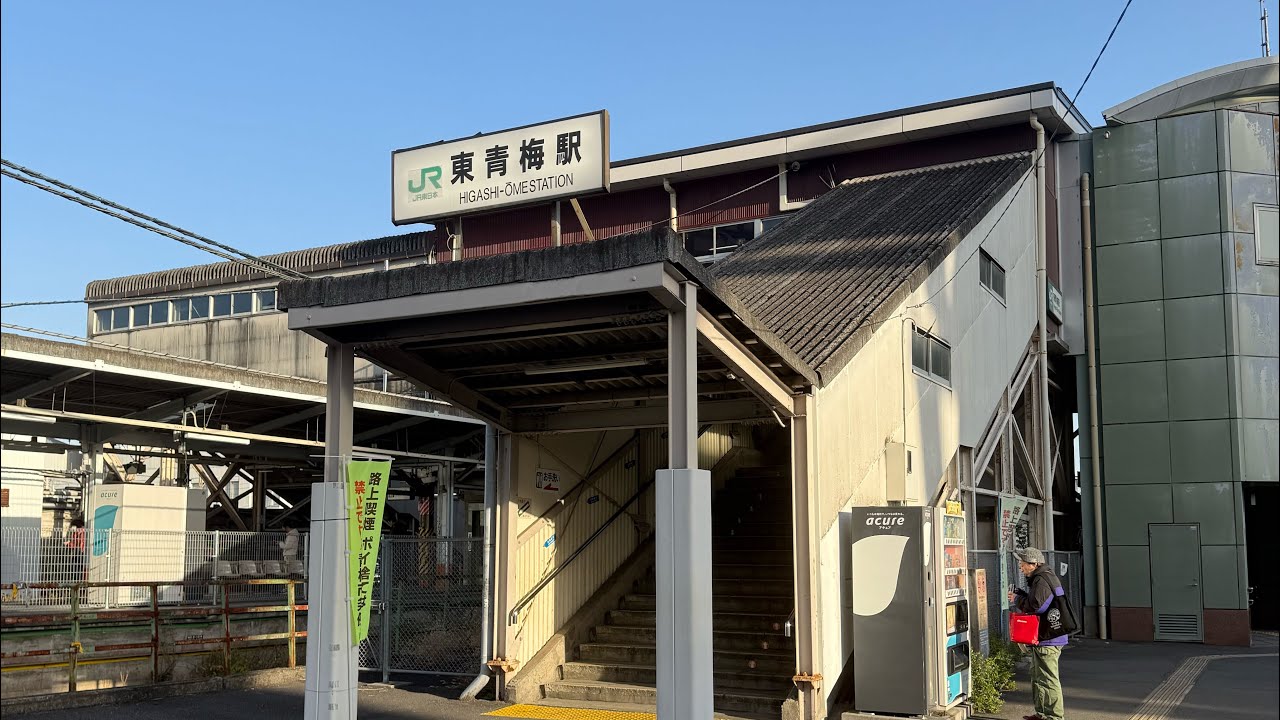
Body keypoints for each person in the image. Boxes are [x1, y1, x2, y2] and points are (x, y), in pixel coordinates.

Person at [1007, 547, 1067, 720]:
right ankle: (1042, 714)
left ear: (1033, 564)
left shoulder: (1041, 580)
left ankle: (1054, 717)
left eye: (1022, 563)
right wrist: (1022, 594)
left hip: (1048, 637)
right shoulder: (1044, 577)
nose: (1021, 567)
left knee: (1047, 678)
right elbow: (1039, 602)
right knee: (1038, 677)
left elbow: (1036, 606)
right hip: (1046, 636)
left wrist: (1018, 599)